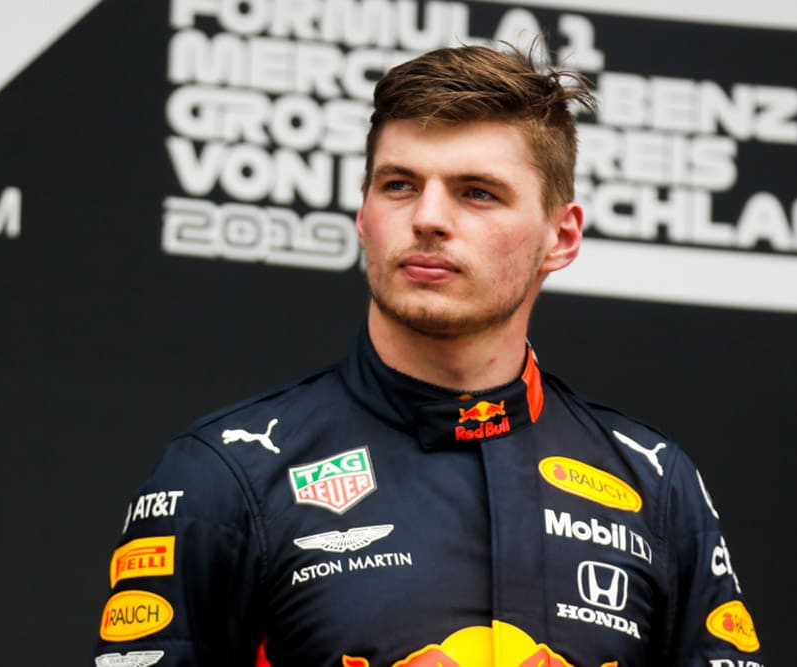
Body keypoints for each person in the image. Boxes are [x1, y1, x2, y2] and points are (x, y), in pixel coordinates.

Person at [92, 45, 763, 667]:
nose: (428, 218)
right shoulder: (224, 475)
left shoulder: (658, 486)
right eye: (399, 185)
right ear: (363, 215)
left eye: (477, 192)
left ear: (561, 236)